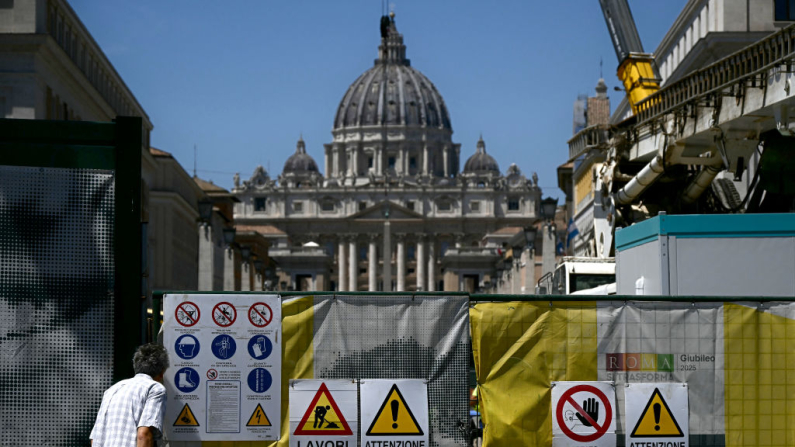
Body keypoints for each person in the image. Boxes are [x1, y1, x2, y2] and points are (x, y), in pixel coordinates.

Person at [90, 343, 169, 447]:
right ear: (162, 372)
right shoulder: (155, 389)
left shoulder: (112, 390)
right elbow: (143, 434)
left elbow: (95, 438)